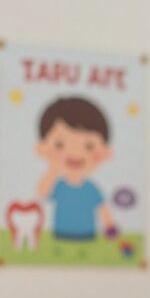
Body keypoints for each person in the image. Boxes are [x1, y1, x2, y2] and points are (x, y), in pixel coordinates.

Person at [34, 96, 117, 242]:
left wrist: (109, 225)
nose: (75, 153)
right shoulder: (59, 185)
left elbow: (102, 208)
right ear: (42, 148)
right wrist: (53, 168)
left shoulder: (91, 188)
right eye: (59, 145)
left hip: (87, 235)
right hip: (61, 234)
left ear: (105, 152)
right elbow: (42, 192)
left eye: (89, 146)